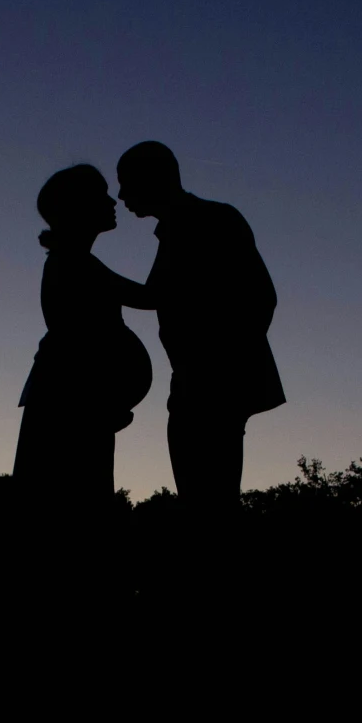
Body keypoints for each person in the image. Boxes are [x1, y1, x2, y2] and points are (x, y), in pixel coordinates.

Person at [115, 141, 284, 512]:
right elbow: (157, 295)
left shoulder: (209, 220)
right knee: (207, 500)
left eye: (127, 183)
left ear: (154, 179)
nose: (122, 195)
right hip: (202, 383)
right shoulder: (190, 223)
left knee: (209, 503)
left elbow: (261, 299)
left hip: (212, 385)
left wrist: (217, 365)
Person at [13, 164, 154, 516]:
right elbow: (152, 297)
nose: (112, 201)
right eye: (101, 195)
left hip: (78, 405)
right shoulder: (75, 265)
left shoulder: (77, 262)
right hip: (72, 408)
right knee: (73, 505)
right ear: (79, 207)